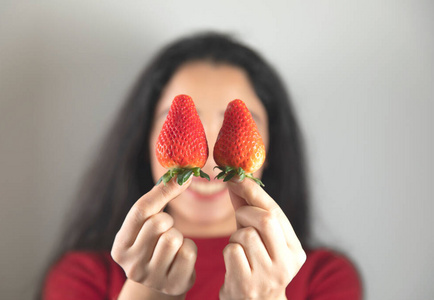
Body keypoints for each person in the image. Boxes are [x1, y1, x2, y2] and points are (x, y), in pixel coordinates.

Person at [38, 32, 362, 299]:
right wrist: (144, 292)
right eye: (180, 121)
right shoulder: (82, 276)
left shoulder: (326, 278)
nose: (206, 157)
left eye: (236, 122)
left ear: (273, 145)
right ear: (143, 139)